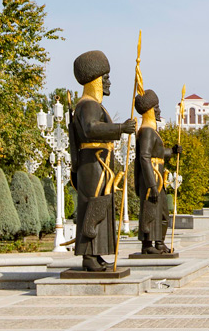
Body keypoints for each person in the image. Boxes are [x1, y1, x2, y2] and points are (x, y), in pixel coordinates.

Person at [69, 50, 135, 272]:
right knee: (93, 207)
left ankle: (96, 255)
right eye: (104, 78)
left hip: (100, 164)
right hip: (92, 163)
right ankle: (88, 256)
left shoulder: (97, 106)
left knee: (100, 206)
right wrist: (120, 128)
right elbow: (90, 129)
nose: (108, 83)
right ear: (94, 80)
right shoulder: (87, 105)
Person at [134, 89, 181, 255]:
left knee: (162, 212)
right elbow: (144, 157)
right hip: (151, 178)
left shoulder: (153, 132)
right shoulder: (146, 131)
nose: (159, 111)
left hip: (158, 178)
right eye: (156, 108)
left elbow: (158, 154)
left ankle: (160, 242)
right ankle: (147, 245)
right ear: (149, 111)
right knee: (150, 212)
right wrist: (151, 184)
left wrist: (172, 152)